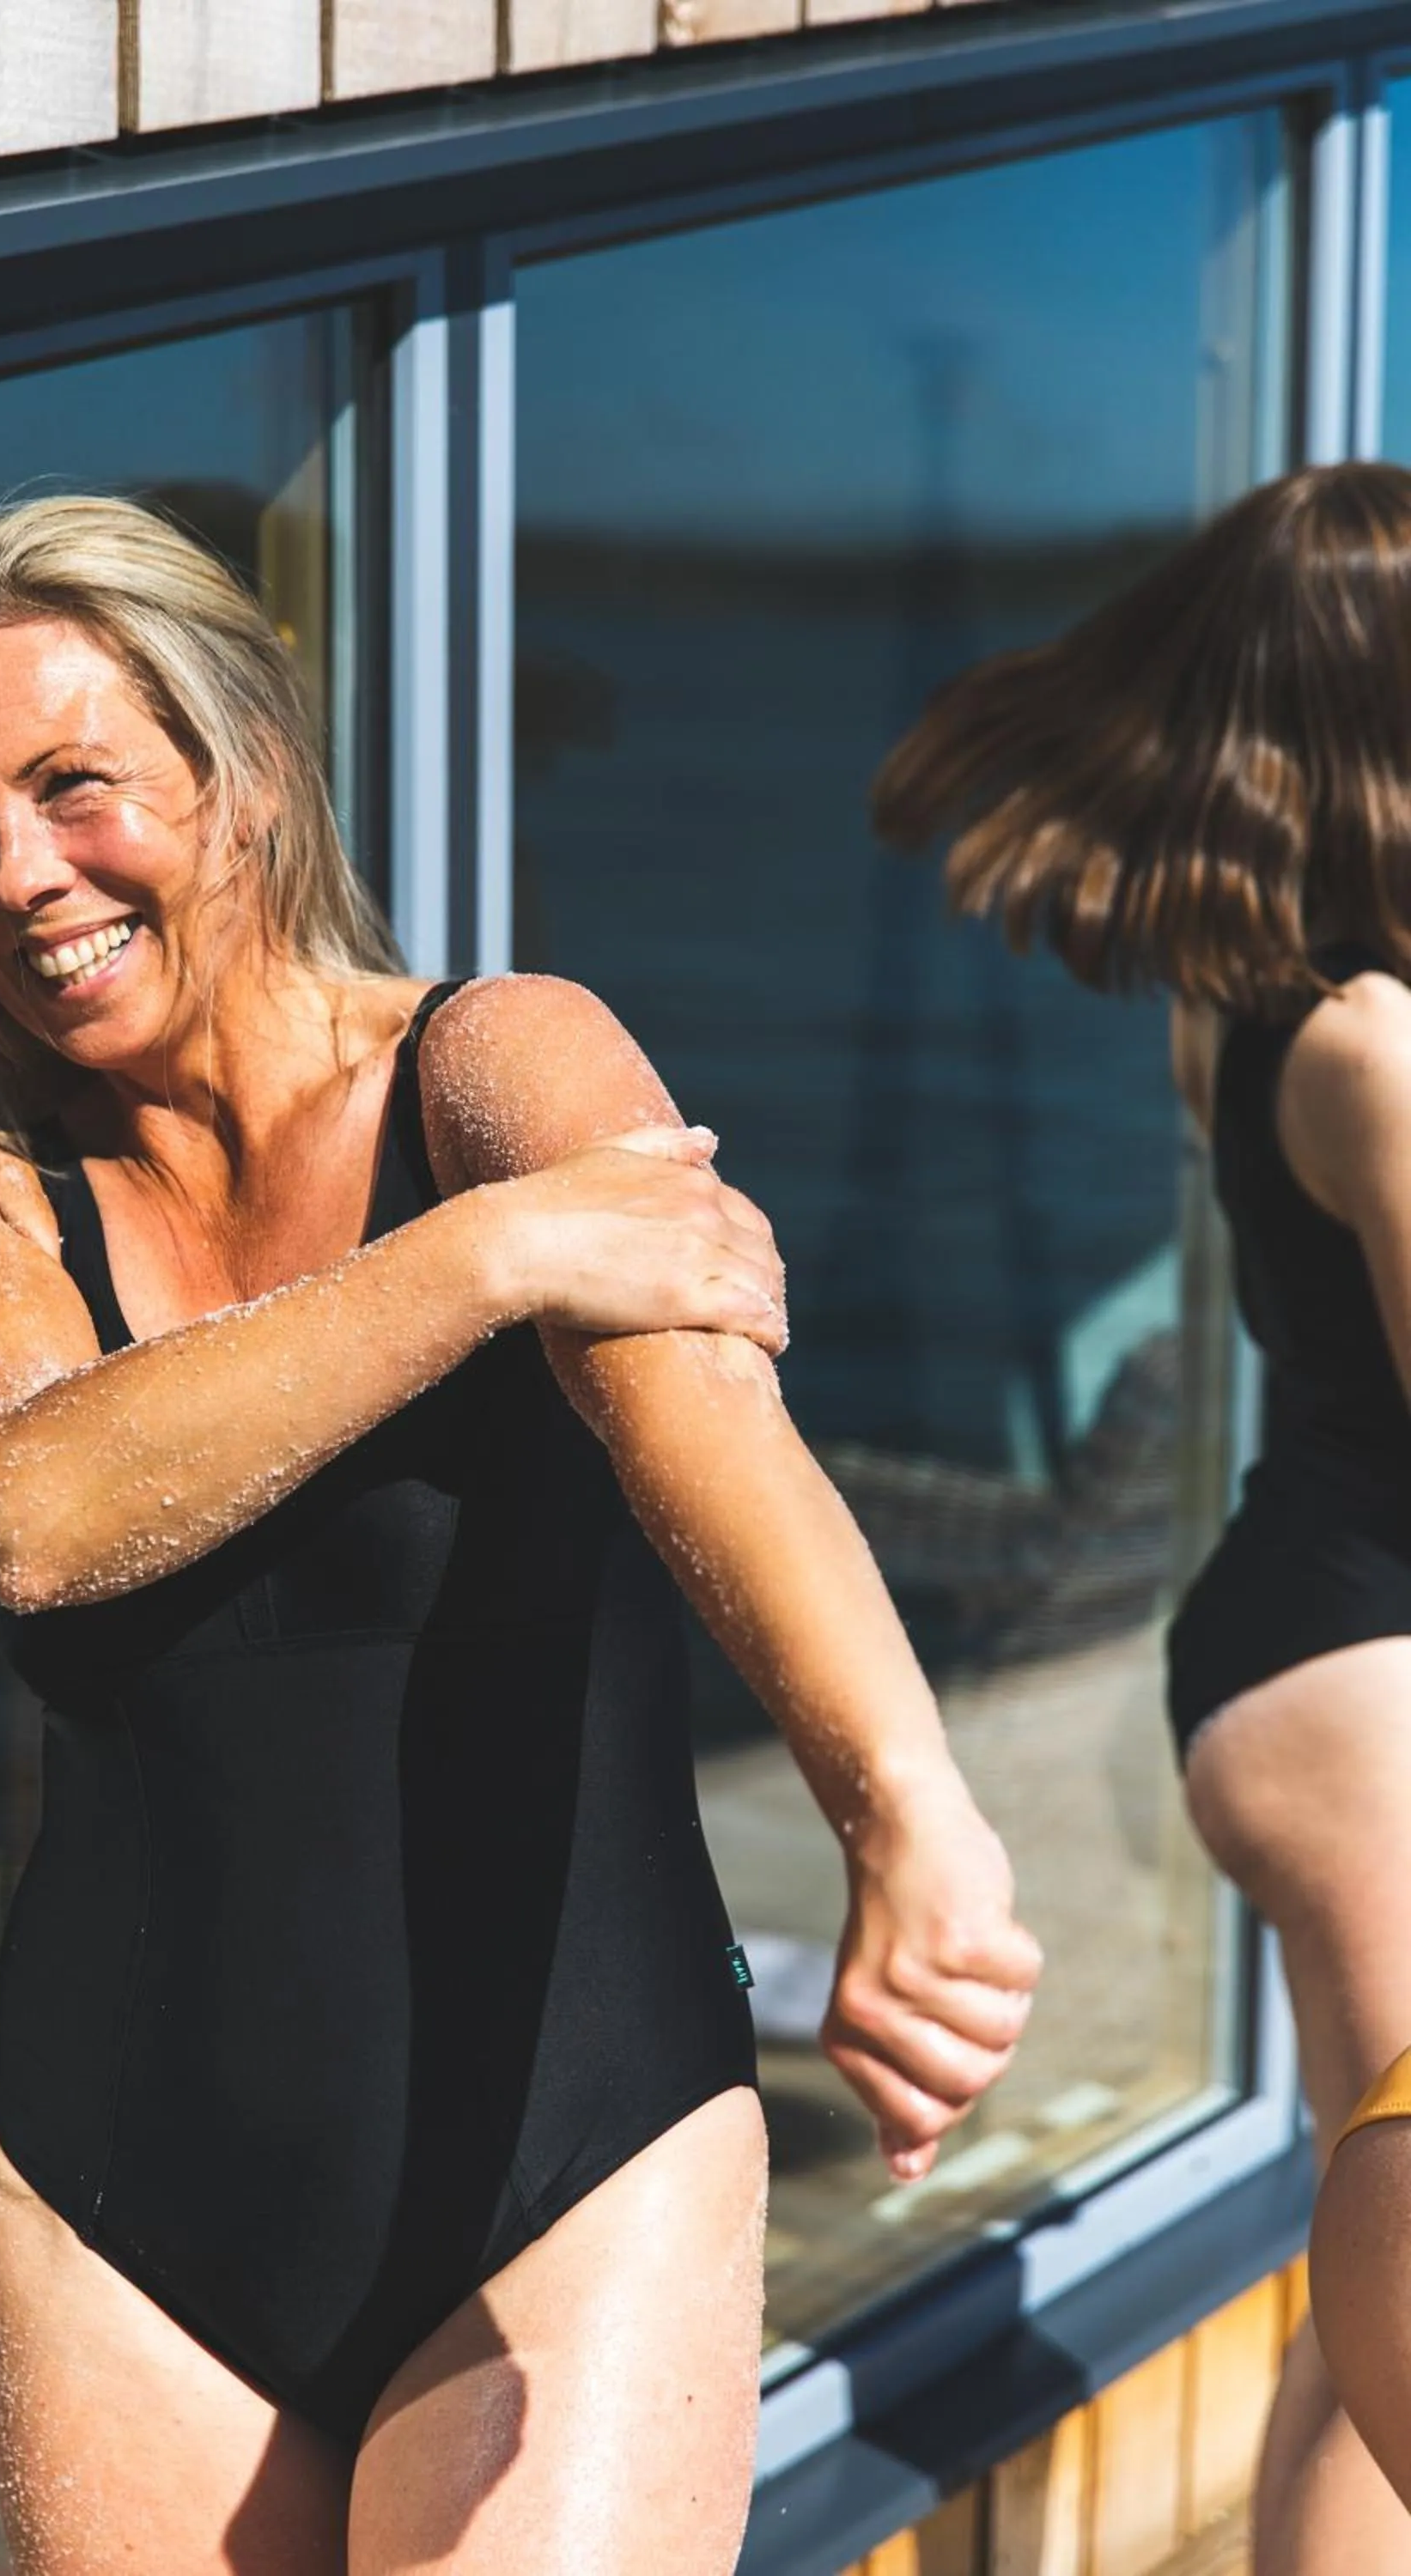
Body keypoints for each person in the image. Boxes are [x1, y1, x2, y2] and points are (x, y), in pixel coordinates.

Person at [0, 494, 1040, 2576]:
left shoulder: (500, 1060)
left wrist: (903, 1805)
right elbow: (32, 1510)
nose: (14, 876)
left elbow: (717, 1437)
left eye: (71, 785)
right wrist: (480, 1268)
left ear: (244, 779)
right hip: (121, 2193)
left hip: (570, 2149)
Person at [873, 459, 1411, 2574]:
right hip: (1366, 1678)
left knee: (1360, 2287)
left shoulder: (1251, 996)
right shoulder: (1368, 1046)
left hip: (1312, 1645)